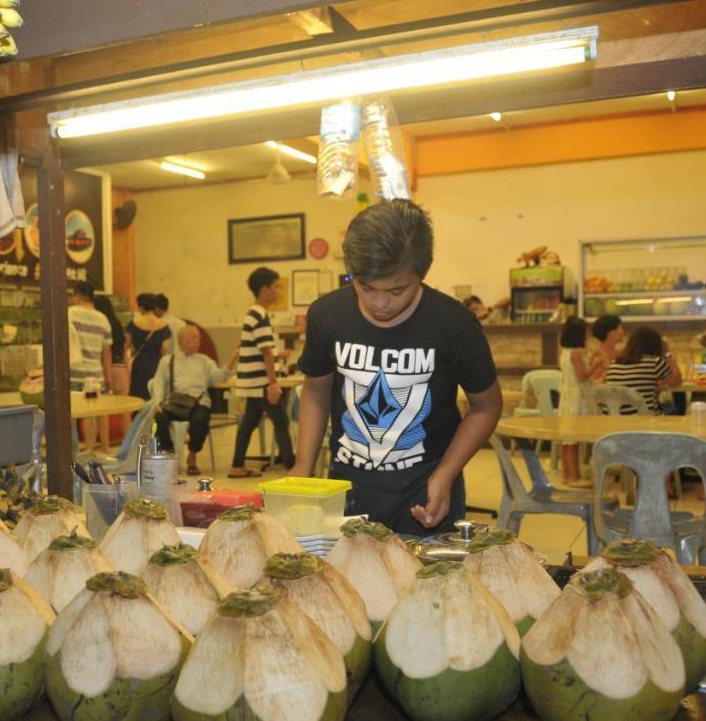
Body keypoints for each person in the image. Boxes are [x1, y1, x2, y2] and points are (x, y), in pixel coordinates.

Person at [289, 200, 502, 534]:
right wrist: (303, 467)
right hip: (347, 488)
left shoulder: (453, 323)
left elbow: (486, 406)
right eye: (366, 287)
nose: (379, 303)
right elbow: (316, 390)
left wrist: (445, 473)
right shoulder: (327, 315)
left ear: (422, 273)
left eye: (397, 290)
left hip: (426, 486)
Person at [228, 267, 295, 477]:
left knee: (249, 422)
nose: (278, 292)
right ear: (264, 289)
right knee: (281, 421)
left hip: (252, 381)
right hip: (260, 382)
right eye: (275, 287)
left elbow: (264, 349)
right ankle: (293, 467)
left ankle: (237, 465)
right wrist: (273, 384)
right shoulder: (259, 315)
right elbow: (266, 353)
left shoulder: (254, 313)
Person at [152, 325, 228, 476]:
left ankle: (193, 454)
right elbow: (158, 382)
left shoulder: (205, 361)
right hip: (174, 403)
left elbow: (218, 378)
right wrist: (157, 402)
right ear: (181, 341)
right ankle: (168, 452)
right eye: (193, 338)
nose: (197, 341)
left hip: (198, 403)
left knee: (201, 420)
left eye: (198, 338)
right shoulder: (167, 361)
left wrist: (231, 363)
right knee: (158, 419)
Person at [67, 281, 113, 451]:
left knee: (70, 414)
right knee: (91, 413)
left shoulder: (69, 314)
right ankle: (90, 450)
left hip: (73, 372)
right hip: (95, 374)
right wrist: (107, 376)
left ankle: (72, 452)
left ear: (77, 294)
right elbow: (106, 351)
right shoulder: (103, 319)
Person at [603, 326, 682, 414]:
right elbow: (677, 381)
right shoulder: (654, 362)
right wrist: (667, 353)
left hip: (615, 421)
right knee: (676, 407)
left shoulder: (614, 364)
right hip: (645, 421)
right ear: (656, 345)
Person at [557, 317, 591, 486]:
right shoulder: (577, 353)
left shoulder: (564, 352)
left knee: (566, 437)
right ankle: (574, 477)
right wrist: (596, 365)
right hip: (576, 397)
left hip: (566, 395)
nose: (588, 335)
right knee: (573, 439)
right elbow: (582, 376)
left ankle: (566, 474)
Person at [94, 293, 131, 442]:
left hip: (105, 368)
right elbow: (123, 348)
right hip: (120, 367)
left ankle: (104, 445)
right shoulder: (117, 323)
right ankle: (129, 443)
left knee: (101, 411)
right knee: (124, 410)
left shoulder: (100, 323)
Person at [125, 293, 171, 400]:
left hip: (139, 362)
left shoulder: (134, 323)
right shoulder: (163, 325)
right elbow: (165, 349)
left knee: (138, 395)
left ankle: (139, 416)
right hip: (156, 362)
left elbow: (126, 345)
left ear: (141, 307)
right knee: (154, 394)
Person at [590, 314, 624, 380]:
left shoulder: (619, 353)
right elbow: (596, 383)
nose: (622, 331)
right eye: (620, 328)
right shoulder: (597, 357)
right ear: (610, 332)